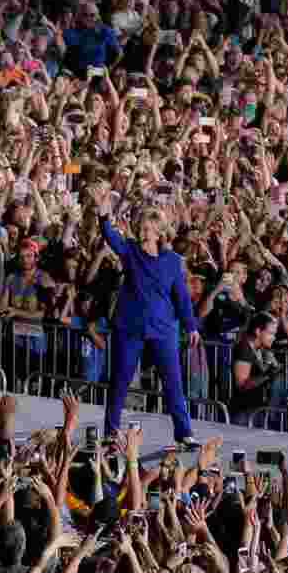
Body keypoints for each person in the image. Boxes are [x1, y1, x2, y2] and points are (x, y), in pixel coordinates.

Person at [90, 186, 200, 449]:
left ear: (159, 232)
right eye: (140, 227)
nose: (141, 232)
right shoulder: (130, 252)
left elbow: (182, 297)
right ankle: (111, 433)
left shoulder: (173, 261)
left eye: (147, 229)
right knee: (120, 380)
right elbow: (110, 235)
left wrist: (191, 326)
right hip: (129, 328)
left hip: (163, 329)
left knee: (173, 382)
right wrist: (104, 214)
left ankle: (184, 433)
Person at [230, 311, 281, 427]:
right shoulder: (244, 349)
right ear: (258, 331)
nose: (273, 338)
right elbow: (241, 384)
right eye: (270, 333)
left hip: (257, 409)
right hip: (243, 413)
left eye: (274, 334)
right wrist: (268, 374)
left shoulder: (261, 349)